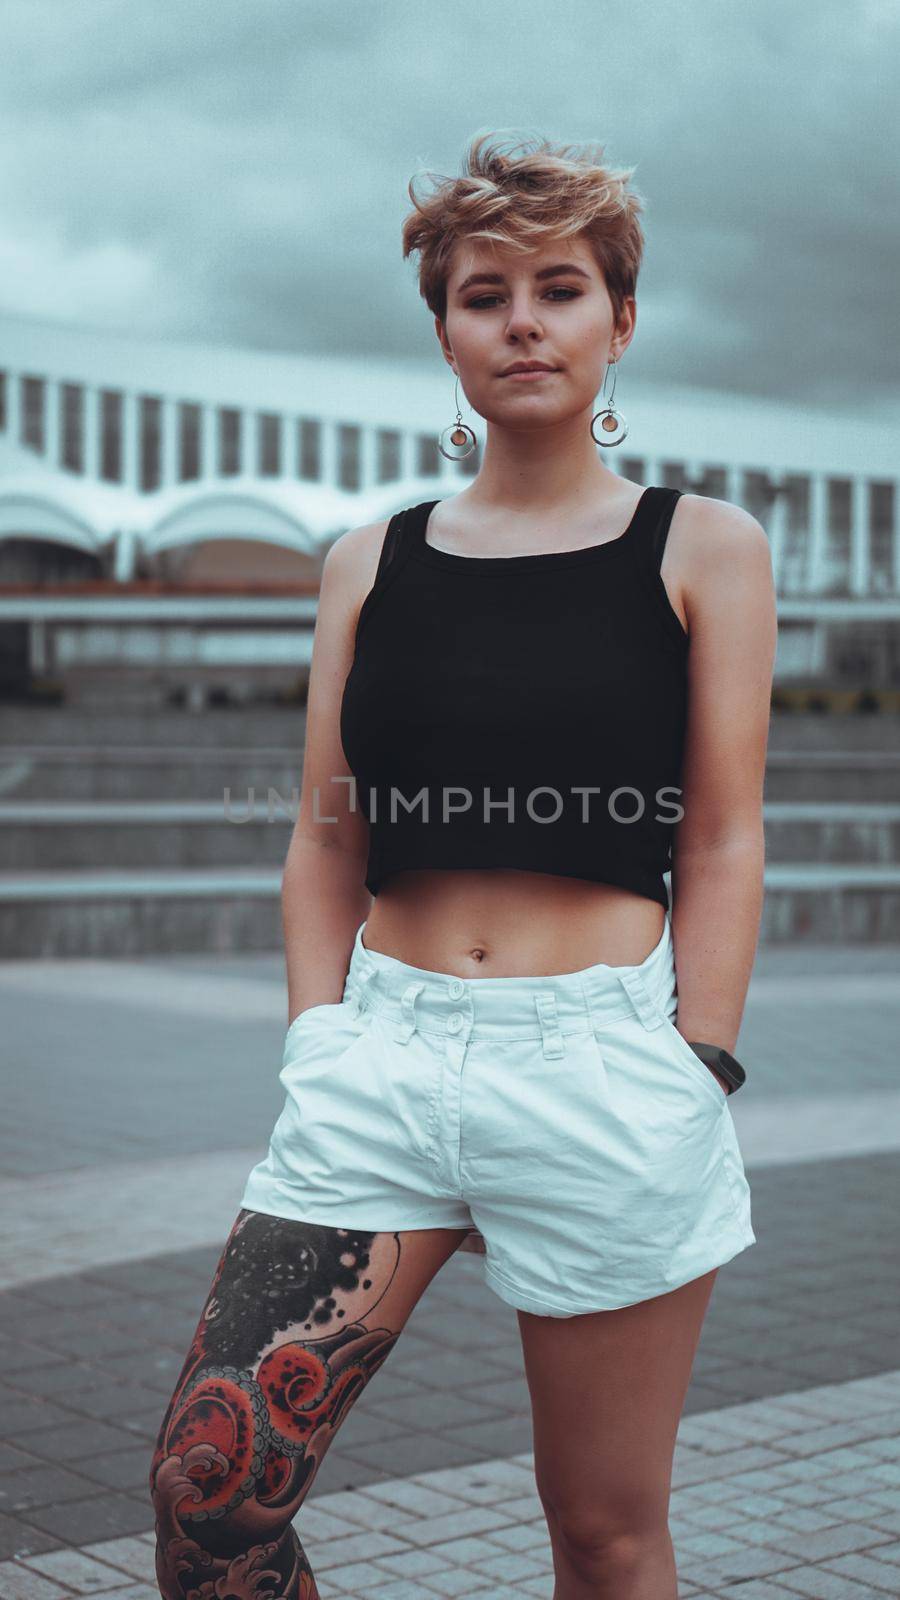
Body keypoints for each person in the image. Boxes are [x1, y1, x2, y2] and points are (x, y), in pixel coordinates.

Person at [150, 130, 777, 1600]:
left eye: (561, 288)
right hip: (380, 1061)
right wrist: (319, 1033)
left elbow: (727, 830)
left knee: (602, 1533)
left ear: (621, 321)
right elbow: (325, 829)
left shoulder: (704, 547)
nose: (523, 321)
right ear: (444, 330)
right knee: (207, 1495)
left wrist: (702, 1063)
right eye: (484, 293)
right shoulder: (370, 558)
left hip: (605, 1069)